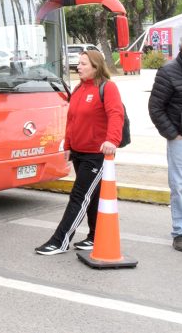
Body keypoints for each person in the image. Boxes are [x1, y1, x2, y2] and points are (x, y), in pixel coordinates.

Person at [36, 50, 125, 255]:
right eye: (79, 63)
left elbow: (116, 115)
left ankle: (60, 241)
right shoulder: (78, 89)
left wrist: (112, 140)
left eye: (84, 63)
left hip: (96, 154)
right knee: (92, 196)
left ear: (96, 67)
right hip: (78, 152)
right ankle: (95, 237)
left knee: (79, 196)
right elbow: (72, 120)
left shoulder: (107, 88)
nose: (79, 66)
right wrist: (67, 145)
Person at [149, 37, 182, 252]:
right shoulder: (168, 72)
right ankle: (180, 231)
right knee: (179, 186)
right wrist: (173, 134)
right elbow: (155, 108)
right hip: (180, 139)